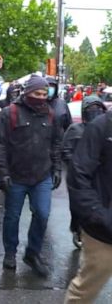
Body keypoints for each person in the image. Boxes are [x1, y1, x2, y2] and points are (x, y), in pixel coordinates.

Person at [0, 75, 63, 277]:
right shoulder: (9, 113)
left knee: (42, 214)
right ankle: (10, 252)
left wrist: (57, 169)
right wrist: (2, 173)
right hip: (15, 176)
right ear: (27, 92)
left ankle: (32, 253)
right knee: (12, 217)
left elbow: (56, 143)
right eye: (37, 93)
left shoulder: (51, 115)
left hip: (42, 175)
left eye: (44, 94)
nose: (41, 97)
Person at [64, 110, 112, 304]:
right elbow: (78, 175)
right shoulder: (102, 126)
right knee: (85, 290)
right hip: (103, 231)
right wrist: (98, 216)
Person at [62, 96, 107, 249]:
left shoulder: (104, 130)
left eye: (98, 109)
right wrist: (74, 163)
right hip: (80, 175)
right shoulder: (75, 129)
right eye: (91, 109)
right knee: (77, 205)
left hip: (99, 178)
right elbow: (65, 150)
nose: (95, 113)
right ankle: (77, 229)